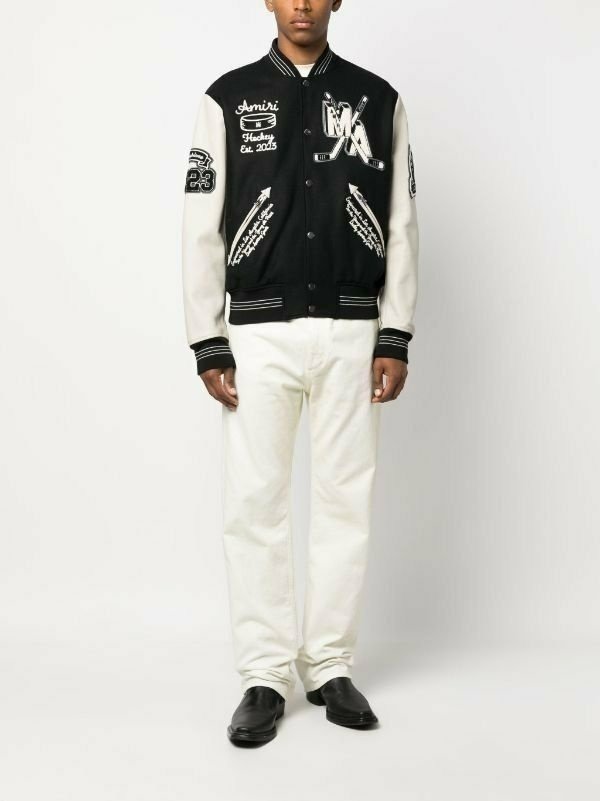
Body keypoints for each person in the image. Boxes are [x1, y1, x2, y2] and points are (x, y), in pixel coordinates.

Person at [181, 0, 418, 746]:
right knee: (255, 503)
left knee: (346, 497)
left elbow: (402, 221)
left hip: (352, 328)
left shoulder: (378, 100)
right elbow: (201, 225)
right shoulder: (227, 98)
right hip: (258, 334)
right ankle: (263, 674)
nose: (304, 3)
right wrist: (208, 339)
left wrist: (394, 332)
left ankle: (330, 664)